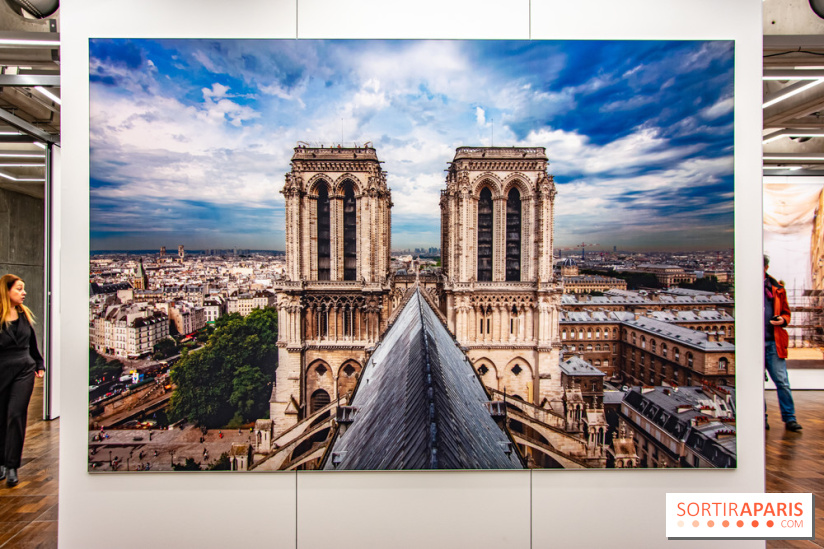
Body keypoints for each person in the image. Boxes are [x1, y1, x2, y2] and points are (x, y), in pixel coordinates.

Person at [0, 274, 45, 487]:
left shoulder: (24, 315)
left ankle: (11, 466)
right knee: (2, 417)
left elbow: (32, 343)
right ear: (6, 291)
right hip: (2, 369)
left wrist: (39, 364)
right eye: (19, 289)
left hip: (24, 370)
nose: (24, 292)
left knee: (16, 415)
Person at [764, 256, 802, 432]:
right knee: (756, 383)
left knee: (782, 381)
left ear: (766, 267)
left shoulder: (778, 289)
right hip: (753, 344)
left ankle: (790, 418)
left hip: (773, 341)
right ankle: (761, 416)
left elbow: (787, 313)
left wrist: (782, 320)